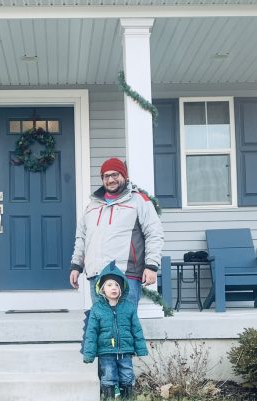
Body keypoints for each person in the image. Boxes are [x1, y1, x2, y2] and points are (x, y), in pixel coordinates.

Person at [69, 157, 165, 307]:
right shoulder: (92, 206)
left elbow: (154, 233)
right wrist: (76, 266)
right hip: (97, 275)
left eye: (115, 175)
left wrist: (151, 266)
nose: (111, 179)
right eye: (106, 176)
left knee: (124, 324)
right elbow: (82, 237)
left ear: (124, 176)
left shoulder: (139, 201)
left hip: (126, 274)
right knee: (102, 323)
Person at [82, 261, 148, 399]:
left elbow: (136, 329)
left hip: (125, 351)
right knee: (109, 375)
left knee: (127, 375)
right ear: (102, 289)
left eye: (117, 285)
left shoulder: (129, 307)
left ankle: (127, 397)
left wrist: (141, 348)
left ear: (122, 288)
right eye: (109, 285)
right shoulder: (97, 309)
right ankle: (110, 396)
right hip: (106, 352)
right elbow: (91, 333)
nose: (113, 288)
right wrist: (89, 353)